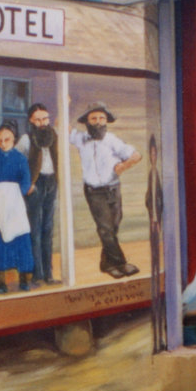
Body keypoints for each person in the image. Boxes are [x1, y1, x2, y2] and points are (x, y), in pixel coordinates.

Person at [70, 101, 140, 278]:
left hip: (113, 189)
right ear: (87, 121)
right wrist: (67, 104)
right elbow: (61, 127)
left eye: (102, 118)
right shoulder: (80, 139)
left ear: (107, 121)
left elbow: (136, 155)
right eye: (94, 118)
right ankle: (121, 263)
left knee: (113, 227)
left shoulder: (112, 140)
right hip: (94, 192)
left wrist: (124, 165)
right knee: (105, 229)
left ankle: (106, 264)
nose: (99, 121)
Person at [0, 120, 35, 293]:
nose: (3, 143)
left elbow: (25, 182)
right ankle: (1, 283)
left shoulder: (20, 159)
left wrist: (17, 194)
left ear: (14, 139)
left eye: (7, 140)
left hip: (14, 204)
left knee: (20, 240)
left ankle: (24, 280)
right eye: (0, 140)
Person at [19, 102, 60, 286]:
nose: (42, 122)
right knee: (35, 230)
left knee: (48, 228)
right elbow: (17, 163)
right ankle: (37, 273)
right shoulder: (26, 139)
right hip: (35, 185)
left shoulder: (54, 136)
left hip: (52, 182)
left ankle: (49, 273)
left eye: (45, 118)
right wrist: (26, 184)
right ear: (31, 121)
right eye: (38, 120)